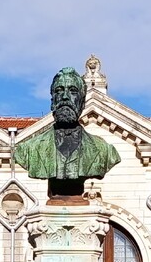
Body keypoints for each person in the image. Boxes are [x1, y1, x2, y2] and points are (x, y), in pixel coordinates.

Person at [13, 67, 121, 197]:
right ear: (52, 101)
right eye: (59, 91)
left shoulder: (104, 150)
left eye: (72, 91)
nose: (65, 97)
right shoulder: (29, 149)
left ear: (82, 103)